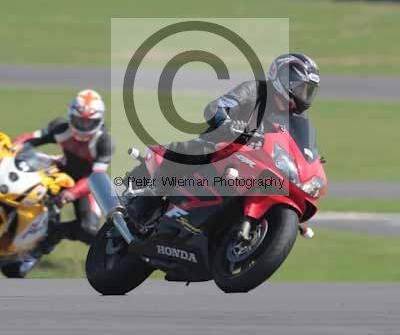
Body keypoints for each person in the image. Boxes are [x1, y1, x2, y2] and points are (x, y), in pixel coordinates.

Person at [125, 53, 320, 226]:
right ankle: (148, 199)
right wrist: (228, 123)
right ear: (282, 78)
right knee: (192, 152)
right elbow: (216, 107)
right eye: (300, 88)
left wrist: (310, 161)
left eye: (308, 91)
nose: (304, 96)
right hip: (223, 145)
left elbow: (300, 145)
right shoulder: (255, 90)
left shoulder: (297, 118)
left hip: (256, 162)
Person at [14, 89, 115, 256]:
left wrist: (71, 194)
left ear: (99, 120)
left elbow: (96, 176)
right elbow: (31, 138)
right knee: (18, 193)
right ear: (70, 116)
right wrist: (13, 147)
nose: (83, 126)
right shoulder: (60, 127)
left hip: (86, 184)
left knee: (88, 228)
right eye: (79, 120)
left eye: (89, 122)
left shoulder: (105, 141)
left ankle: (55, 233)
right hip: (59, 171)